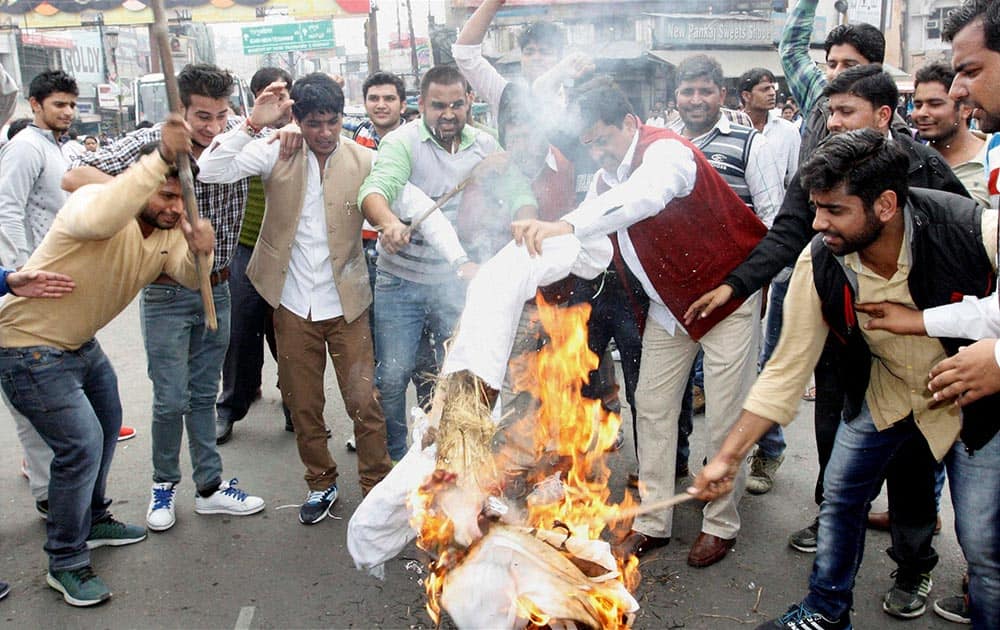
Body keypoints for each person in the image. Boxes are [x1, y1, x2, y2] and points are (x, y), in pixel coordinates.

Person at [690, 128, 996, 630]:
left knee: (984, 548)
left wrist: (998, 357)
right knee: (839, 497)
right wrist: (727, 456)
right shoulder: (820, 258)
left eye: (834, 210)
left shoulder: (973, 230)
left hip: (975, 406)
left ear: (886, 205)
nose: (818, 222)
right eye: (816, 207)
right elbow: (786, 370)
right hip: (888, 393)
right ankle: (826, 610)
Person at [503, 80, 767, 569]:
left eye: (604, 139)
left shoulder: (667, 151)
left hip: (728, 296)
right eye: (591, 146)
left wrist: (566, 226)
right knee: (651, 407)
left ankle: (720, 524)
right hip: (671, 308)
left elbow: (646, 197)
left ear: (629, 124)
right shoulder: (605, 184)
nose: (600, 153)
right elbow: (590, 243)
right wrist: (522, 265)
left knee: (726, 416)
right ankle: (653, 520)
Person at [0, 115, 215, 606]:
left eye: (182, 199)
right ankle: (66, 561)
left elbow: (184, 274)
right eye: (165, 195)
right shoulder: (93, 204)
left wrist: (201, 251)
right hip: (27, 346)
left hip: (78, 344)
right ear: (142, 188)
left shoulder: (167, 231)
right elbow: (105, 214)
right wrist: (160, 156)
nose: (173, 207)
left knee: (107, 419)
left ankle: (93, 518)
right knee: (80, 445)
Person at [66, 64, 265, 533]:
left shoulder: (240, 134)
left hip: (219, 284)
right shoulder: (154, 141)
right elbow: (74, 178)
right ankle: (163, 485)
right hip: (166, 292)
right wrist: (148, 198)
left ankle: (211, 488)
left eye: (220, 115)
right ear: (181, 110)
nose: (213, 127)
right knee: (169, 397)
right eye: (201, 117)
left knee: (202, 395)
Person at [198, 73, 393, 524]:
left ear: (344, 118)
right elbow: (209, 170)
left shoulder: (366, 159)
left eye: (332, 122)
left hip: (349, 304)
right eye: (314, 124)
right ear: (297, 120)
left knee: (364, 402)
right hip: (290, 303)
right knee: (303, 404)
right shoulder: (276, 150)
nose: (324, 134)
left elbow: (403, 196)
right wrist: (252, 124)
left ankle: (376, 486)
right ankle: (321, 484)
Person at [358, 65, 519, 462]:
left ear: (469, 102)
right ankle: (398, 458)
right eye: (437, 106)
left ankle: (451, 456)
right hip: (400, 282)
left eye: (455, 105)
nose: (447, 114)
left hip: (458, 282)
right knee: (393, 375)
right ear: (421, 106)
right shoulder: (402, 142)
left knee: (459, 373)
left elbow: (516, 191)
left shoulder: (484, 144)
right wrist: (389, 223)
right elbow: (376, 190)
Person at [214, 66, 293, 444]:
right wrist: (252, 127)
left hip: (289, 252)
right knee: (240, 330)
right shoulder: (240, 136)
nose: (275, 102)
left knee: (290, 333)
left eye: (282, 94)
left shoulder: (302, 133)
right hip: (245, 247)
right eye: (266, 94)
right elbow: (212, 166)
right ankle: (229, 407)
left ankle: (297, 406)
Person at [780, 0, 886, 160]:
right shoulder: (819, 95)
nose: (837, 73)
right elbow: (791, 51)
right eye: (832, 64)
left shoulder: (896, 131)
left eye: (850, 65)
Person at [912, 62, 990, 207]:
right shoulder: (911, 163)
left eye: (935, 104)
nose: (921, 113)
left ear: (965, 109)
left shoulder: (993, 160)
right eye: (917, 105)